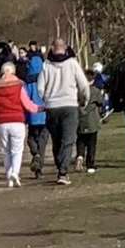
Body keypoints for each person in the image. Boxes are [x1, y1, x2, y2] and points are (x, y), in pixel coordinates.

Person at [37, 37, 91, 186]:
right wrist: (84, 100)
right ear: (66, 48)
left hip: (52, 107)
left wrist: (45, 99)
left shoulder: (46, 65)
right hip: (69, 106)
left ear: (52, 48)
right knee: (68, 140)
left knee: (56, 140)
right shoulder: (72, 64)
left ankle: (60, 165)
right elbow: (84, 85)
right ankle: (63, 171)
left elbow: (40, 88)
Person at [0, 62, 39, 187]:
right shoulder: (19, 86)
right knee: (17, 150)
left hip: (2, 122)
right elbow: (27, 104)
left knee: (5, 151)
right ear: (14, 72)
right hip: (17, 120)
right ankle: (15, 172)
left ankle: (9, 177)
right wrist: (38, 109)